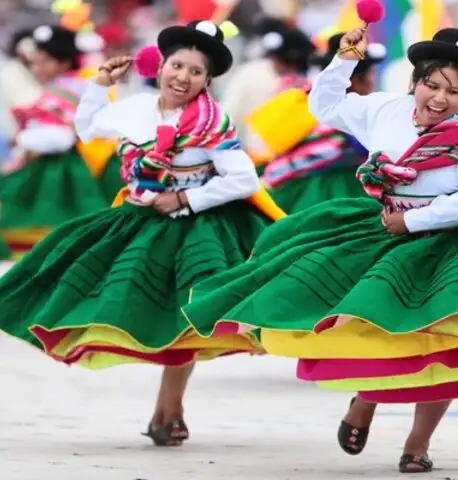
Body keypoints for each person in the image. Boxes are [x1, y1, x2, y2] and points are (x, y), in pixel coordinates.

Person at [182, 27, 458, 473]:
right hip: (388, 231)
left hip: (453, 239)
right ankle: (365, 400)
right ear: (415, 81)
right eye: (432, 85)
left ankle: (417, 444)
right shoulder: (385, 109)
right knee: (381, 327)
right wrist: (344, 60)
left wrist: (412, 220)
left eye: (454, 91)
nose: (440, 98)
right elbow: (323, 105)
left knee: (446, 345)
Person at [0, 20, 284, 446]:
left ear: (208, 80)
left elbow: (243, 180)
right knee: (106, 294)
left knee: (188, 316)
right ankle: (165, 411)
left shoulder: (211, 120)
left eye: (195, 71)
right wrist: (99, 85)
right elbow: (87, 129)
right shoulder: (135, 109)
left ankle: (170, 410)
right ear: (161, 66)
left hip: (195, 228)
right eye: (177, 65)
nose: (182, 77)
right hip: (138, 221)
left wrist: (186, 200)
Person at [0, 24, 121, 257]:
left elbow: (62, 138)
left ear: (63, 63)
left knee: (48, 216)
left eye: (45, 60)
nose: (38, 66)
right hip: (82, 161)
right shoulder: (72, 86)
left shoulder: (65, 91)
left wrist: (22, 139)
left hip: (69, 169)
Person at [260, 32, 385, 213]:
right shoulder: (356, 119)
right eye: (372, 73)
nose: (373, 80)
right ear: (356, 80)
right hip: (335, 193)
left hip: (289, 192)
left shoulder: (300, 103)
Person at [221, 17, 316, 145]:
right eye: (287, 62)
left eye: (297, 64)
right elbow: (229, 112)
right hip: (245, 149)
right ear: (276, 57)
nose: (291, 68)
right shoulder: (250, 73)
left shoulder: (304, 82)